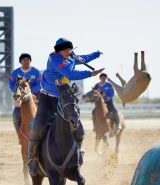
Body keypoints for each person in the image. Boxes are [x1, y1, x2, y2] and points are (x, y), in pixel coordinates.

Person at [27, 38, 105, 176]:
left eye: (70, 49)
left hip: (63, 98)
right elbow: (70, 74)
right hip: (47, 98)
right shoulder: (54, 59)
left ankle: (78, 153)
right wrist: (90, 74)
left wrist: (96, 54)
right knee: (38, 126)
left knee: (78, 127)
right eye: (65, 50)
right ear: (58, 50)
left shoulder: (70, 56)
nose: (68, 52)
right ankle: (32, 159)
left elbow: (83, 58)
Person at [9, 53, 42, 144]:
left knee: (45, 112)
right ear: (20, 61)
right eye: (24, 60)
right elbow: (11, 84)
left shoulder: (36, 71)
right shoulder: (15, 72)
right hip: (21, 98)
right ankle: (20, 137)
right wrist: (17, 92)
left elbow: (40, 84)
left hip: (36, 97)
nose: (26, 61)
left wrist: (29, 91)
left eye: (28, 59)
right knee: (16, 114)